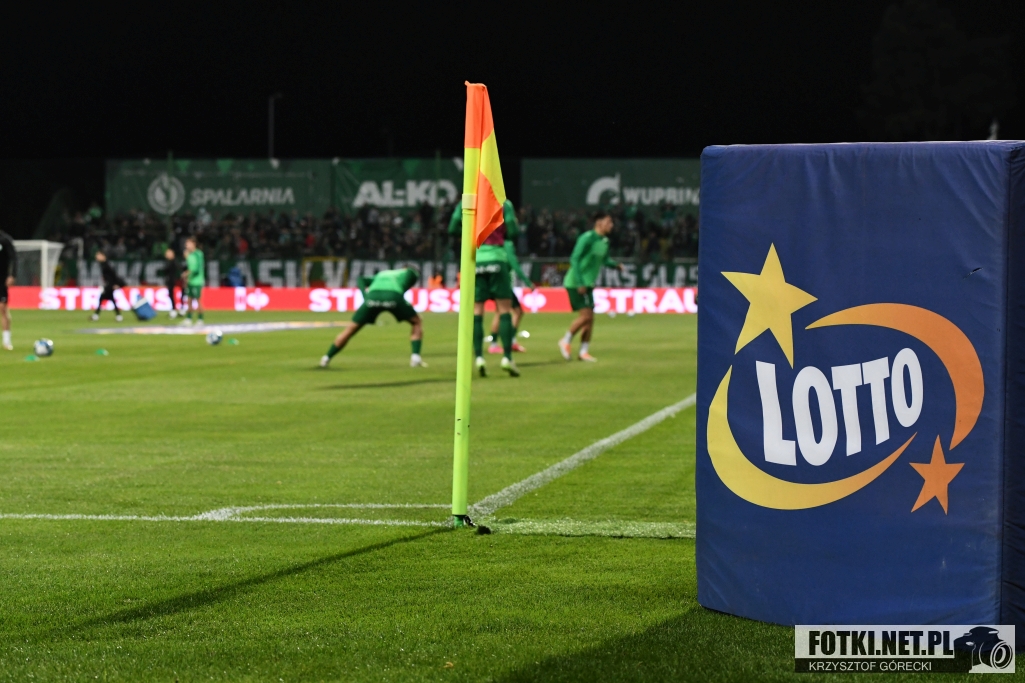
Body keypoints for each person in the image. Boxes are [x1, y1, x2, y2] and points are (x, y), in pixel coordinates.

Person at [448, 199, 521, 377]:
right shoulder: (503, 201)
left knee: (477, 311)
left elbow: (452, 228)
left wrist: (469, 234)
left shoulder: (468, 198)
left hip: (477, 259)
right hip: (497, 257)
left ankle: (479, 358)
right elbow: (513, 230)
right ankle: (507, 358)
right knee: (504, 310)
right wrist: (504, 235)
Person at [319, 267, 426, 368]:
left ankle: (326, 358)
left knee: (350, 329)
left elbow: (361, 280)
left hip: (372, 297)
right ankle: (415, 358)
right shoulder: (411, 272)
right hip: (393, 296)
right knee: (416, 321)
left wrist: (365, 297)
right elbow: (407, 282)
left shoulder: (382, 274)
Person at [559, 211, 623, 362]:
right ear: (599, 223)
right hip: (575, 283)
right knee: (586, 316)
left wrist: (615, 265)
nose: (611, 225)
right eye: (608, 222)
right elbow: (574, 259)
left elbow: (605, 260)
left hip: (588, 284)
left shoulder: (605, 241)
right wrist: (580, 282)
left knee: (590, 319)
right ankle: (565, 340)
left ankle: (583, 352)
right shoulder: (587, 238)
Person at [487, 221, 534, 354]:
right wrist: (527, 282)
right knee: (516, 312)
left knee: (501, 312)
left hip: (497, 281)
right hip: (504, 283)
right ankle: (505, 342)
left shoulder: (497, 244)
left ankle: (497, 343)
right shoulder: (507, 244)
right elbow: (514, 264)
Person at [90, 251, 126, 321]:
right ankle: (118, 316)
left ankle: (96, 316)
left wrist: (116, 284)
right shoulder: (104, 264)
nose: (96, 257)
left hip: (110, 285)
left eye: (98, 255)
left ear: (103, 256)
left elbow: (113, 275)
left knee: (102, 298)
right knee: (109, 299)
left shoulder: (107, 265)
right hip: (109, 285)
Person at [180, 238, 205, 325]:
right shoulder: (189, 255)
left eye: (188, 244)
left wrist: (186, 273)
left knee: (198, 300)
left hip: (197, 281)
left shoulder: (198, 254)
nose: (186, 246)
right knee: (189, 300)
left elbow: (197, 268)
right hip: (190, 280)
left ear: (194, 244)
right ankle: (189, 319)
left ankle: (200, 320)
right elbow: (188, 266)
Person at [0, 230, 17, 349]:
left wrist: (12, 275)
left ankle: (6, 341)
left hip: (1, 279)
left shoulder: (5, 239)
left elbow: (14, 258)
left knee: (2, 308)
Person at [163, 248, 182, 318]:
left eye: (168, 253)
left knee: (175, 295)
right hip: (171, 281)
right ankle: (175, 310)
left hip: (174, 281)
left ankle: (177, 310)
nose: (166, 255)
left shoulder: (174, 262)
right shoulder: (169, 262)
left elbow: (178, 270)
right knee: (172, 295)